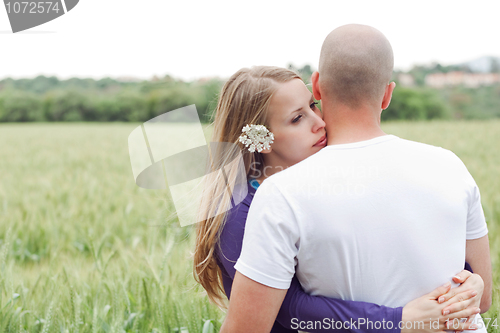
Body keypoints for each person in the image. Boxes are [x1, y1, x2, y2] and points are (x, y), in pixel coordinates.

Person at [220, 25, 492, 333]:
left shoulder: (281, 195)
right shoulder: (451, 165)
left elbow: (478, 295)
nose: (318, 122)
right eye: (297, 118)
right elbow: (287, 309)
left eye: (312, 107)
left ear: (318, 88)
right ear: (388, 95)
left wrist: (471, 282)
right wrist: (399, 321)